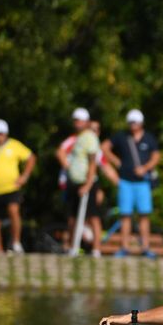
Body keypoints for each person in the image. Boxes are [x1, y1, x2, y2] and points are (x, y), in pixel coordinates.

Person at [102, 109, 161, 257]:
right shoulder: (122, 136)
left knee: (144, 215)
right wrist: (117, 162)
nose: (132, 125)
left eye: (135, 122)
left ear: (141, 123)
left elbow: (156, 156)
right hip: (125, 182)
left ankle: (146, 247)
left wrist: (145, 168)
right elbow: (104, 147)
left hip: (142, 183)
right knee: (125, 215)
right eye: (131, 122)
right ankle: (124, 247)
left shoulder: (149, 138)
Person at [56, 108, 103, 256]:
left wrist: (88, 185)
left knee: (93, 217)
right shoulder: (78, 137)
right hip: (75, 183)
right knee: (72, 217)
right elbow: (60, 152)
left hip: (86, 184)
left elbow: (93, 163)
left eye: (80, 120)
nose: (77, 123)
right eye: (75, 120)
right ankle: (73, 247)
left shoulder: (89, 137)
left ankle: (96, 250)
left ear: (86, 122)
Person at [0, 119, 35, 254]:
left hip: (11, 189)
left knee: (13, 212)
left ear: (6, 134)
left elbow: (31, 158)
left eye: (1, 134)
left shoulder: (14, 145)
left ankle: (15, 242)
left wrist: (24, 176)